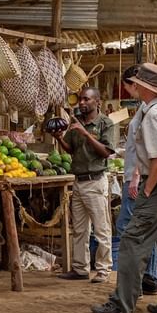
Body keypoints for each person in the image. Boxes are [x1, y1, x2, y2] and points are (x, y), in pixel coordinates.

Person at [90, 62, 157, 313]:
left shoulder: (155, 114)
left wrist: (146, 188)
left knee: (132, 242)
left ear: (142, 87)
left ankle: (123, 302)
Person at [52, 87, 115, 283]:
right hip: (78, 182)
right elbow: (71, 150)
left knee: (101, 228)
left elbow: (106, 152)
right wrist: (59, 138)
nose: (81, 103)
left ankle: (104, 269)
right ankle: (80, 268)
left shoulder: (105, 123)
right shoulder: (76, 124)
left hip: (96, 182)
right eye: (80, 99)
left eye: (86, 99)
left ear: (97, 102)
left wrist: (85, 133)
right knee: (79, 229)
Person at [115, 65, 157, 296]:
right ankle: (149, 276)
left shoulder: (149, 110)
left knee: (130, 227)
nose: (128, 91)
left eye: (127, 87)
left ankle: (148, 276)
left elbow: (148, 148)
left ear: (135, 84)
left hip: (138, 177)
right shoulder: (146, 108)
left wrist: (136, 178)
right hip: (138, 175)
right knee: (140, 227)